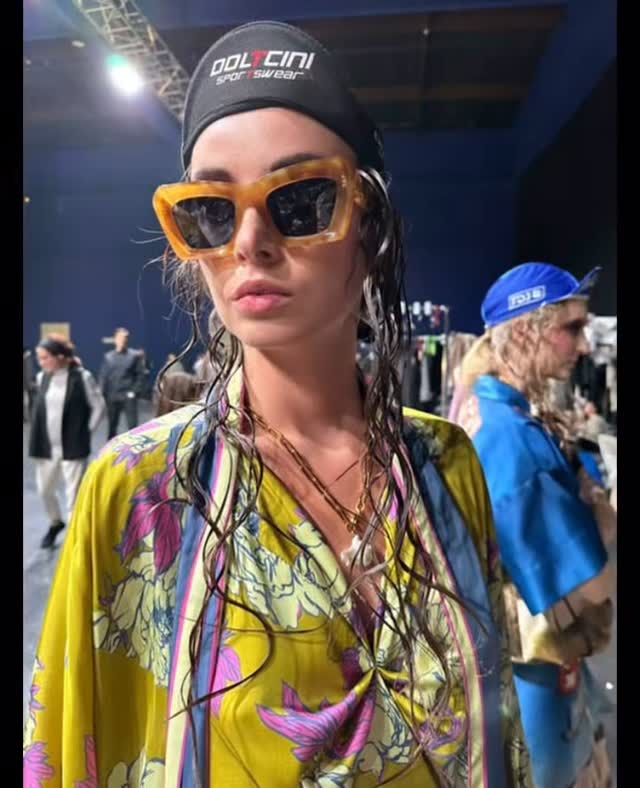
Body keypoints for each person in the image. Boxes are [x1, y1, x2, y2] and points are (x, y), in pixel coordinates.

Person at [24, 22, 532, 786]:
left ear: (369, 226)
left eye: (299, 201)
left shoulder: (445, 467)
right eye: (212, 210)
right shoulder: (140, 490)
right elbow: (66, 754)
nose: (249, 242)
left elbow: (502, 737)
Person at [456, 263, 616, 788]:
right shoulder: (516, 443)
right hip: (536, 685)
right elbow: (593, 585)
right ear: (526, 331)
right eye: (572, 328)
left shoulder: (482, 405)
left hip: (504, 669)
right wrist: (604, 514)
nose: (584, 346)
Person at [27, 334, 105, 548]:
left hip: (73, 446)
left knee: (73, 495)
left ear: (60, 356)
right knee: (45, 490)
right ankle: (55, 522)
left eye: (45, 358)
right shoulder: (42, 378)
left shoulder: (82, 377)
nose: (41, 362)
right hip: (46, 447)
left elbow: (99, 406)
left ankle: (74, 539)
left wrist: (86, 432)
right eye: (39, 358)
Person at [99, 327, 147, 438]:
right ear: (115, 339)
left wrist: (134, 392)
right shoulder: (108, 357)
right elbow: (103, 376)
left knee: (133, 427)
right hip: (112, 396)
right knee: (112, 426)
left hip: (128, 395)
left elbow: (140, 375)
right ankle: (110, 447)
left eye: (125, 338)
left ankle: (135, 446)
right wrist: (102, 393)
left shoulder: (134, 356)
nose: (123, 340)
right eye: (121, 338)